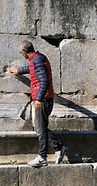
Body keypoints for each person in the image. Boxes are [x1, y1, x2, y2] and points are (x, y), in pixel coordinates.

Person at [8, 40, 68, 168]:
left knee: (40, 130)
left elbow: (44, 81)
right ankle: (59, 149)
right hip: (45, 98)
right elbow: (32, 69)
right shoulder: (37, 59)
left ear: (24, 53)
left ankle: (42, 157)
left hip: (43, 99)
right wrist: (18, 70)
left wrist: (39, 99)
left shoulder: (37, 60)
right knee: (41, 128)